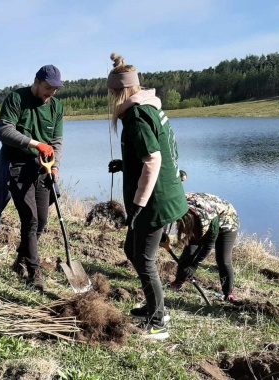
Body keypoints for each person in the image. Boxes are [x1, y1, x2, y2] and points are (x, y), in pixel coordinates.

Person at [106, 54, 188, 340]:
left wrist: (138, 205)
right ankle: (156, 305)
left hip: (155, 201)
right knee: (133, 250)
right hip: (163, 196)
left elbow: (152, 160)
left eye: (113, 94)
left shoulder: (137, 116)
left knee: (144, 258)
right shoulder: (149, 109)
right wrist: (125, 164)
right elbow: (153, 154)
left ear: (119, 92)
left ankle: (159, 321)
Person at [0, 64, 64, 291]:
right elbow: (4, 131)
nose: (50, 93)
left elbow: (57, 142)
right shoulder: (16, 99)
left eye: (55, 89)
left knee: (42, 220)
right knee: (30, 219)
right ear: (37, 82)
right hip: (17, 165)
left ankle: (21, 260)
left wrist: (55, 167)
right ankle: (35, 273)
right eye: (47, 88)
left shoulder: (56, 107)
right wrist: (35, 144)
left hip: (43, 168)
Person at [169, 193, 239, 302]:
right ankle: (178, 281)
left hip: (227, 221)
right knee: (189, 252)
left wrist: (195, 265)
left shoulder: (207, 220)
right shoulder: (179, 207)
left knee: (223, 259)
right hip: (200, 214)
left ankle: (228, 293)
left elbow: (208, 245)